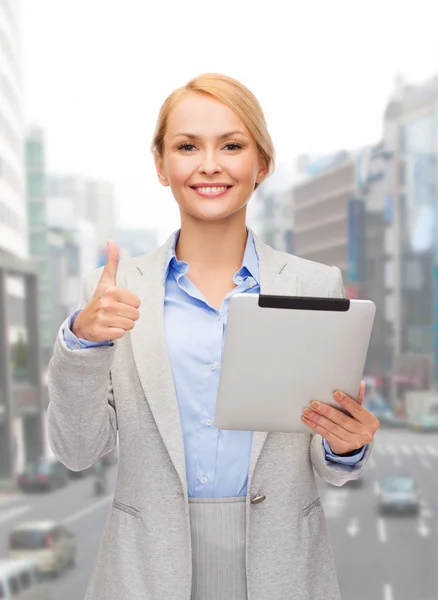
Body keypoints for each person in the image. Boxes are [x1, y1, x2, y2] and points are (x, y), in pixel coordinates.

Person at [46, 73, 378, 600]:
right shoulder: (112, 292)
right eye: (186, 146)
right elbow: (78, 451)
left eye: (231, 145)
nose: (209, 165)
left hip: (282, 569)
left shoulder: (317, 285)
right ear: (161, 165)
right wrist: (81, 345)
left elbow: (324, 457)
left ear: (261, 164)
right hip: (145, 572)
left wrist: (344, 446)